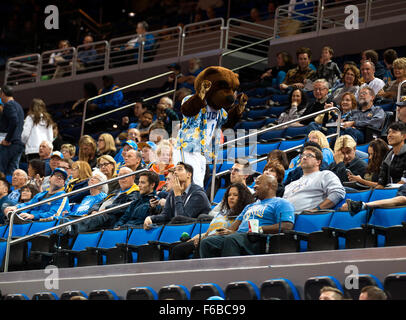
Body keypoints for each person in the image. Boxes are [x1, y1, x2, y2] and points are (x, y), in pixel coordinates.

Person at [199, 175, 295, 258]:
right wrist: (225, 232)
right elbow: (233, 228)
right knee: (207, 242)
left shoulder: (281, 203)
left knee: (231, 240)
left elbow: (287, 226)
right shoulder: (250, 206)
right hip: (239, 237)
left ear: (270, 185)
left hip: (258, 239)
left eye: (258, 183)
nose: (255, 186)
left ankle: (231, 276)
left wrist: (259, 229)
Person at [170, 183, 255, 260]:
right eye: (229, 195)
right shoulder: (221, 213)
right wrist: (201, 236)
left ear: (243, 197)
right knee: (174, 247)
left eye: (235, 195)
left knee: (196, 246)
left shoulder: (243, 215)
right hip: (207, 238)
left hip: (217, 242)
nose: (231, 197)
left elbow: (231, 233)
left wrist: (204, 238)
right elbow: (209, 231)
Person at [65, 167, 139, 234]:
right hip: (100, 214)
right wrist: (94, 210)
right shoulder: (115, 192)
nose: (122, 177)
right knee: (70, 218)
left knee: (96, 218)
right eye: (120, 175)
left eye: (125, 175)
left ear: (133, 176)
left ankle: (69, 229)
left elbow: (124, 207)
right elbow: (99, 203)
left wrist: (105, 210)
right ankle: (65, 225)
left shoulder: (135, 192)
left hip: (111, 218)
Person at [143, 162, 211, 229]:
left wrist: (178, 196)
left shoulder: (198, 194)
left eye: (180, 169)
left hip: (194, 233)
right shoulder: (173, 192)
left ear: (189, 174)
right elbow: (166, 215)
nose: (175, 172)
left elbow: (182, 221)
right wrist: (151, 218)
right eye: (175, 170)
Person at [283, 145, 345, 213]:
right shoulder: (292, 183)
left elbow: (338, 193)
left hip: (306, 218)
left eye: (309, 155)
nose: (304, 157)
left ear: (318, 162)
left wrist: (317, 209)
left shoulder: (325, 175)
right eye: (303, 155)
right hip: (283, 218)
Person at [3, 168, 70, 222]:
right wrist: (16, 208)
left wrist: (33, 216)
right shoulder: (40, 195)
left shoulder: (62, 196)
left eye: (62, 177)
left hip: (45, 226)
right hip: (31, 222)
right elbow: (29, 204)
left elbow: (54, 215)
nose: (59, 178)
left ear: (63, 183)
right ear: (50, 178)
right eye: (56, 175)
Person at [0, 85, 25, 176]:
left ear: (3, 94)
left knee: (1, 170)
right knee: (12, 172)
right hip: (18, 143)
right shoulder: (18, 106)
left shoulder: (8, 105)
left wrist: (7, 139)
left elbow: (14, 121)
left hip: (10, 144)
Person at [376, 122, 406, 188]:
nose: (389, 135)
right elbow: (381, 182)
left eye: (394, 132)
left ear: (403, 136)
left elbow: (404, 182)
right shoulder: (388, 155)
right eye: (389, 132)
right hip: (389, 191)